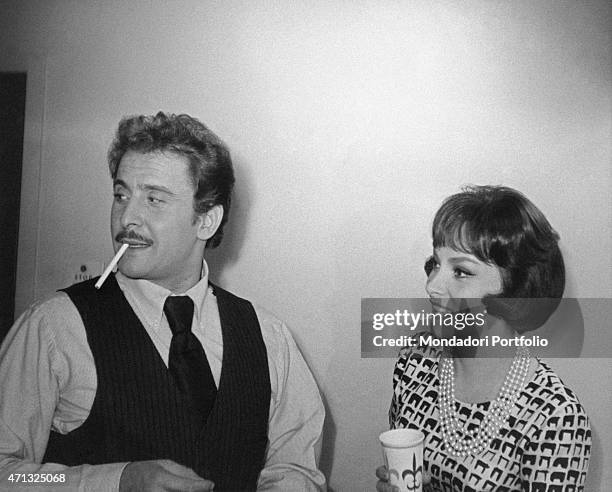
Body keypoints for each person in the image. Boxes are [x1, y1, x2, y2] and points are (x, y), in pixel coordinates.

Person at [0, 112, 326, 491]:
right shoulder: (53, 327)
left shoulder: (270, 338)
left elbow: (295, 471)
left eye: (153, 199)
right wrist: (112, 481)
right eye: (121, 195)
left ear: (207, 221)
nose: (128, 217)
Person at [376, 185, 591, 491]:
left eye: (461, 271)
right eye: (435, 264)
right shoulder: (415, 362)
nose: (433, 286)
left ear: (515, 287)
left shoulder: (555, 416)